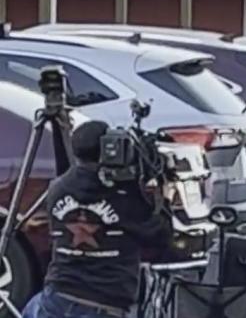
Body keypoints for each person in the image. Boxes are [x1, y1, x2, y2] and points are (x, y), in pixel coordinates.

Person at [22, 121, 174, 318]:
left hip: (56, 297)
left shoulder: (57, 188)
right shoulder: (124, 195)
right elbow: (161, 237)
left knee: (30, 310)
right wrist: (165, 196)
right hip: (104, 303)